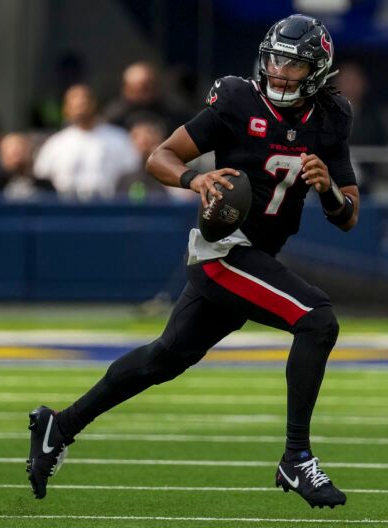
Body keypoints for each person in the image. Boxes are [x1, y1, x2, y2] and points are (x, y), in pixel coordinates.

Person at [26, 14, 358, 509]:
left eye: (293, 64)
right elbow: (159, 155)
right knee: (317, 320)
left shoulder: (331, 117)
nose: (281, 71)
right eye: (276, 60)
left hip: (257, 256)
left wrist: (327, 189)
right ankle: (296, 458)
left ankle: (61, 425)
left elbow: (347, 215)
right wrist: (194, 180)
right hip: (224, 250)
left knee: (165, 357)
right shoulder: (237, 99)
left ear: (317, 71)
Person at [33, 84, 139, 201]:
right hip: (65, 208)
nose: (80, 104)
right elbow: (41, 176)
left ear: (94, 103)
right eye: (74, 101)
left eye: (85, 99)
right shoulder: (56, 143)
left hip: (108, 208)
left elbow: (132, 174)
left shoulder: (119, 138)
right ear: (66, 108)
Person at [104, 61, 191, 134]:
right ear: (126, 88)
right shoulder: (115, 116)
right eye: (138, 87)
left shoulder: (173, 111)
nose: (145, 91)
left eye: (149, 84)